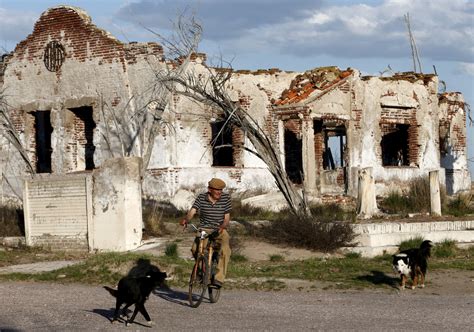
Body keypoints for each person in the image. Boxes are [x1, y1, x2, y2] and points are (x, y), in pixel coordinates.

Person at [180, 177, 231, 288]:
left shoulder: (226, 198)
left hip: (219, 229)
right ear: (209, 189)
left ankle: (218, 279)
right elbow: (192, 212)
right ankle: (201, 270)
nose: (219, 192)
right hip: (204, 229)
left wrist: (222, 226)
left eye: (221, 190)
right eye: (217, 190)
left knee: (225, 250)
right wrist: (186, 220)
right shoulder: (201, 198)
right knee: (195, 249)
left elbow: (226, 219)